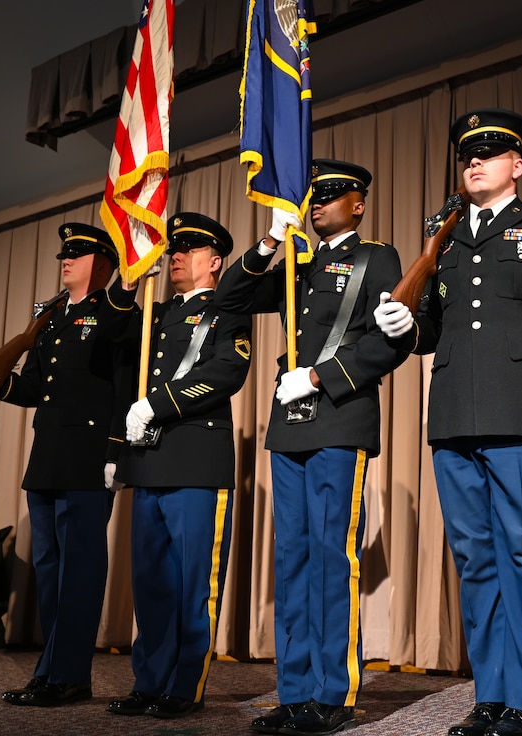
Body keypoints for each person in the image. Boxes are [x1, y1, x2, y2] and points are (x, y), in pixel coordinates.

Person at [374, 108, 522, 736]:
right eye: (468, 154)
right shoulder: (442, 236)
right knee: (476, 559)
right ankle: (492, 696)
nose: (475, 161)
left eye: (491, 151)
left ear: (516, 165)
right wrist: (408, 327)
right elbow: (440, 329)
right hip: (454, 416)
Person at [216, 159, 406, 735]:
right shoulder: (298, 264)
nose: (316, 203)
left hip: (339, 415)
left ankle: (333, 693)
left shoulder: (378, 259)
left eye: (329, 194)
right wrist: (272, 236)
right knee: (291, 558)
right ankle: (294, 692)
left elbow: (387, 341)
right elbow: (229, 299)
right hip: (291, 420)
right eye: (311, 196)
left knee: (330, 554)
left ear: (359, 203)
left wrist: (322, 377)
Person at [0, 223, 138, 707]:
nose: (66, 258)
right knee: (50, 571)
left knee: (79, 572)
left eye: (79, 253)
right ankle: (49, 671)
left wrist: (115, 449)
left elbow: (125, 386)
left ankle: (70, 676)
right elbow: (34, 388)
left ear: (102, 265)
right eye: (65, 253)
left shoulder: (117, 313)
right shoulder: (50, 316)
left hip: (87, 461)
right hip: (46, 460)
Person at [105, 213, 252, 719]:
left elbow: (227, 371)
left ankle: (184, 686)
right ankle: (149, 681)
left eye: (188, 249)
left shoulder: (228, 309)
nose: (176, 257)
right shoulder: (155, 313)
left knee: (194, 584)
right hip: (149, 464)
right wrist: (126, 289)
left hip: (195, 463)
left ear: (215, 262)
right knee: (151, 583)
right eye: (174, 249)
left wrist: (159, 405)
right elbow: (116, 348)